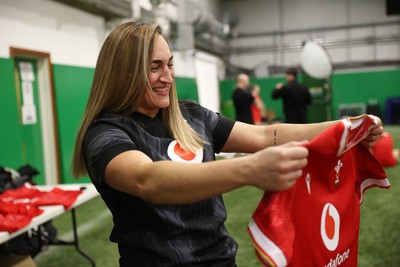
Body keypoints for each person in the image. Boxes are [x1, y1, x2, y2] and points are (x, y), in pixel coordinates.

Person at [71, 22, 383, 267]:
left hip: (222, 260)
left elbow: (264, 136)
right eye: (155, 67)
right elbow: (147, 179)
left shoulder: (191, 115)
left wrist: (346, 128)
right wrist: (249, 170)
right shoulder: (104, 133)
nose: (167, 76)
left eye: (170, 64)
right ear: (123, 73)